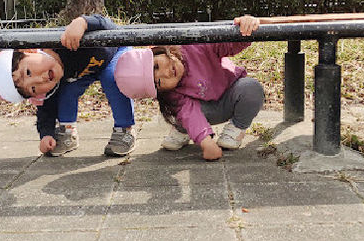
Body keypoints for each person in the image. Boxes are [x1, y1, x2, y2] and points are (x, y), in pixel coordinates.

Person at [113, 15, 264, 161]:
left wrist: (245, 30)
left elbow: (225, 44)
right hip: (203, 111)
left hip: (228, 95)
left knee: (250, 89)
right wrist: (207, 143)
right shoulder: (172, 94)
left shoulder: (193, 45)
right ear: (159, 92)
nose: (166, 73)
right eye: (158, 82)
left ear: (158, 51)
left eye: (156, 65)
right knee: (178, 113)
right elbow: (191, 114)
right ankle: (183, 130)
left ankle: (236, 129)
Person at [0, 14, 136, 157]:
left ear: (29, 51)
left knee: (112, 78)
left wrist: (83, 23)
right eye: (33, 89)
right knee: (67, 91)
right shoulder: (52, 83)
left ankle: (125, 129)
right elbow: (45, 110)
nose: (40, 80)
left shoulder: (63, 39)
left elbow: (107, 25)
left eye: (29, 72)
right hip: (84, 72)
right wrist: (46, 135)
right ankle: (67, 132)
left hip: (115, 51)